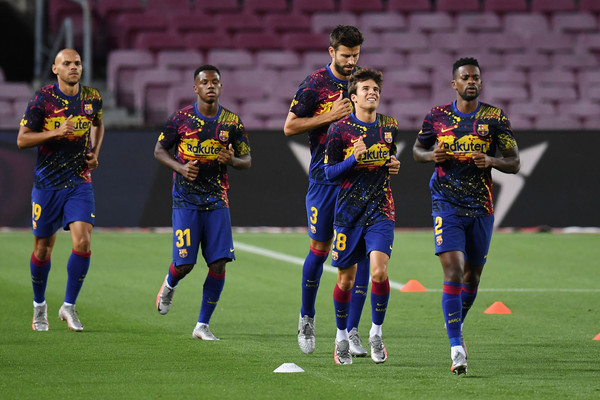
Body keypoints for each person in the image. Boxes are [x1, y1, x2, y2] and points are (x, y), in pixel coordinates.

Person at [412, 57, 520, 375]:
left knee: (472, 277)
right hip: (446, 203)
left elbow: (514, 162)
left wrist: (491, 160)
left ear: (480, 83)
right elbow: (418, 151)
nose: (470, 81)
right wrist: (432, 155)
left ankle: (456, 324)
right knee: (454, 272)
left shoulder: (495, 118)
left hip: (481, 207)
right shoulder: (437, 117)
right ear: (454, 84)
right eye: (464, 77)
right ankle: (457, 347)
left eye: (475, 77)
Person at [283, 25, 372, 357]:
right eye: (346, 55)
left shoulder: (363, 83)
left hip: (358, 182)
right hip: (324, 180)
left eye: (356, 55)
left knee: (360, 255)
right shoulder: (314, 85)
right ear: (331, 52)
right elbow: (289, 126)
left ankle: (352, 330)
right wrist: (329, 115)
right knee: (319, 251)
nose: (351, 62)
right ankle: (307, 316)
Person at [154, 65, 251, 340]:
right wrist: (181, 168)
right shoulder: (181, 119)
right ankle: (170, 283)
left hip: (217, 199)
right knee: (185, 265)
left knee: (218, 263)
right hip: (186, 200)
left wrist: (231, 160)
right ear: (195, 88)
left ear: (221, 87)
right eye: (204, 82)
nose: (210, 86)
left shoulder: (231, 123)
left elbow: (247, 161)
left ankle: (202, 325)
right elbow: (159, 150)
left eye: (215, 82)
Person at [17, 48, 104, 332]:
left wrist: (94, 152)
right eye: (66, 64)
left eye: (77, 63)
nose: (73, 67)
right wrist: (56, 132)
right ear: (55, 69)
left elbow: (98, 124)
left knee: (83, 242)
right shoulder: (43, 99)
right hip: (47, 183)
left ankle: (68, 306)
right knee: (43, 249)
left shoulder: (92, 98)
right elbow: (22, 139)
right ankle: (39, 306)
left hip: (79, 181)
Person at [324, 68, 400, 365]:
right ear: (353, 97)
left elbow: (389, 157)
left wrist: (393, 164)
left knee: (379, 272)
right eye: (365, 89)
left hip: (381, 209)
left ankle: (376, 332)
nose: (372, 92)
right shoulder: (339, 130)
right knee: (345, 281)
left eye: (376, 89)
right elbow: (328, 173)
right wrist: (352, 159)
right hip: (348, 213)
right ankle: (342, 336)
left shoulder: (390, 126)